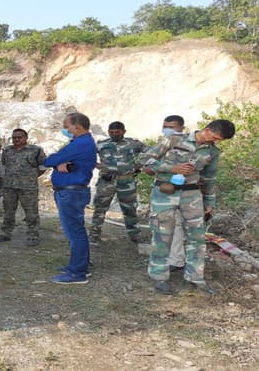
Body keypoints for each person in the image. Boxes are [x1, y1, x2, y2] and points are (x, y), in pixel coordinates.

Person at [136, 119, 235, 295]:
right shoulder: (173, 139)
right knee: (162, 236)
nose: (216, 141)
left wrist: (209, 203)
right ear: (207, 129)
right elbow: (143, 159)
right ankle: (159, 277)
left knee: (197, 238)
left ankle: (195, 278)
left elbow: (209, 178)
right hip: (164, 193)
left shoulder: (212, 151)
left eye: (220, 140)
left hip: (192, 195)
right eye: (215, 137)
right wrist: (171, 168)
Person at [43, 113, 97, 284]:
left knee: (75, 232)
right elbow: (59, 161)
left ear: (77, 126)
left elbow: (49, 160)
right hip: (72, 192)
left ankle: (77, 273)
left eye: (67, 126)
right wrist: (60, 163)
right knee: (76, 230)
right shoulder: (82, 142)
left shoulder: (81, 143)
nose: (65, 129)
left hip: (71, 193)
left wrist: (58, 161)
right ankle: (79, 265)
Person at [89, 121, 147, 243]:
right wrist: (96, 165)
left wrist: (139, 165)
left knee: (130, 210)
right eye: (111, 132)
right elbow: (86, 156)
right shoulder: (101, 144)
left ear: (124, 131)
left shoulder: (133, 143)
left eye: (117, 132)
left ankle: (135, 236)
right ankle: (94, 234)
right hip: (106, 182)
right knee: (100, 209)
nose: (114, 134)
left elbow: (153, 152)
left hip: (126, 181)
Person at [143, 115, 187, 272]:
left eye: (171, 127)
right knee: (161, 226)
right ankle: (163, 259)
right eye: (165, 126)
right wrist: (155, 169)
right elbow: (146, 163)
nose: (167, 130)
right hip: (162, 191)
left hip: (182, 191)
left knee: (178, 225)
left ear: (182, 128)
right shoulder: (163, 143)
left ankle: (175, 260)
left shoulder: (189, 145)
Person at [0, 129, 47, 246]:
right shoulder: (7, 150)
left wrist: (32, 177)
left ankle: (33, 235)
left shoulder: (36, 150)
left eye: (19, 137)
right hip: (9, 187)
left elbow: (43, 166)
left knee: (31, 212)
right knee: (8, 211)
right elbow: (4, 165)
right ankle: (5, 233)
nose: (16, 139)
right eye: (14, 137)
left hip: (28, 188)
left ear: (26, 138)